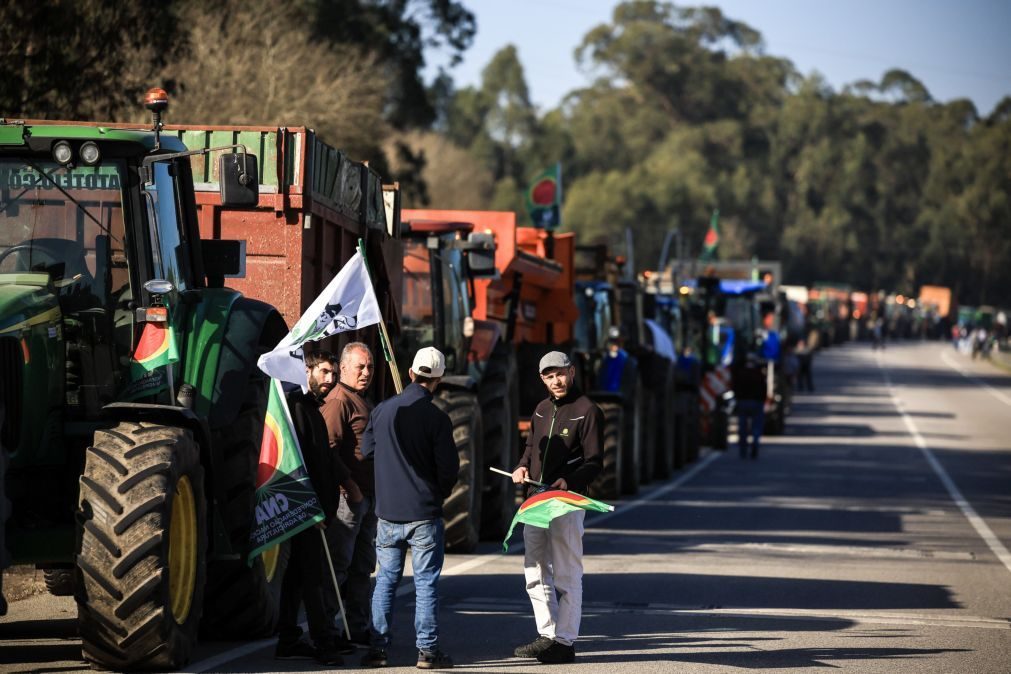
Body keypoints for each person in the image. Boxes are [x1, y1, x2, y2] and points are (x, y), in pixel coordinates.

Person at [360, 347, 458, 670]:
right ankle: (427, 652)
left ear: (411, 373)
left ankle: (378, 648)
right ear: (438, 380)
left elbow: (367, 450)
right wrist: (437, 493)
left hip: (388, 511)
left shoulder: (382, 411)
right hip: (424, 512)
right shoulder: (438, 419)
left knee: (386, 579)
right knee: (426, 582)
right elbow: (448, 471)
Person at [511, 351, 603, 665]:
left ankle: (565, 642)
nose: (556, 381)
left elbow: (595, 462)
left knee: (566, 574)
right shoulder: (539, 409)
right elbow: (529, 449)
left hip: (566, 502)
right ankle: (547, 635)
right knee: (534, 572)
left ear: (572, 372)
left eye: (560, 374)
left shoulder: (587, 410)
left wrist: (568, 480)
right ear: (542, 379)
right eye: (549, 376)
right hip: (536, 501)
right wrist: (521, 468)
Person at [275, 350, 352, 666]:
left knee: (296, 574)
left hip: (316, 508)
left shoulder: (311, 409)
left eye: (334, 373)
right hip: (308, 509)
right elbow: (302, 465)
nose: (331, 379)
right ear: (306, 371)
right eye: (324, 372)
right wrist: (315, 507)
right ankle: (324, 643)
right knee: (314, 576)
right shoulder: (297, 410)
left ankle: (288, 638)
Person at [320, 342, 376, 648]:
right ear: (344, 368)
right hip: (348, 500)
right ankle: (327, 630)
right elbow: (327, 450)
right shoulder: (339, 400)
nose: (366, 372)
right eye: (360, 367)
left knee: (362, 566)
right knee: (338, 567)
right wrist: (351, 488)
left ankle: (356, 628)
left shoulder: (361, 399)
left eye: (369, 367)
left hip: (366, 499)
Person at [731, 350, 766, 459]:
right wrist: (763, 401)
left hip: (743, 402)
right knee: (756, 426)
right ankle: (755, 442)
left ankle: (743, 447)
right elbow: (763, 388)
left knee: (743, 426)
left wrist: (737, 398)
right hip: (756, 402)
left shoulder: (740, 372)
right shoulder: (758, 373)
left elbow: (735, 386)